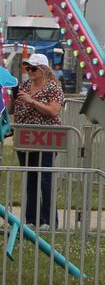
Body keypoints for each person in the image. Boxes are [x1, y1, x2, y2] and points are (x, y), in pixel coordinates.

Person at [11, 53, 63, 228]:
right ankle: (32, 220)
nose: (30, 71)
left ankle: (49, 221)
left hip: (46, 139)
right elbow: (14, 109)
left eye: (33, 68)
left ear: (43, 69)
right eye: (28, 68)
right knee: (30, 180)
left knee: (45, 179)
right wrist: (12, 97)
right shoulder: (25, 85)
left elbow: (54, 111)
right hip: (25, 138)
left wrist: (31, 101)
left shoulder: (53, 87)